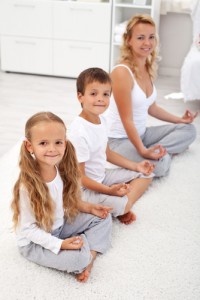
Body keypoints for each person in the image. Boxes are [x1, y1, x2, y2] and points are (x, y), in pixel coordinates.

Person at [11, 112, 112, 283]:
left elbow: (62, 200)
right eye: (43, 143)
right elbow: (28, 230)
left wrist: (88, 207)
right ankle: (86, 257)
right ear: (30, 146)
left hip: (58, 226)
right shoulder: (26, 187)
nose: (52, 149)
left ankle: (90, 256)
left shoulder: (58, 168)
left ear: (65, 143)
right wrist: (60, 245)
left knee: (103, 217)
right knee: (77, 260)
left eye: (58, 142)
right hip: (34, 243)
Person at [104, 14, 198, 177]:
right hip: (118, 141)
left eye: (151, 37)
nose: (147, 43)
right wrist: (143, 151)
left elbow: (152, 107)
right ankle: (162, 154)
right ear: (129, 40)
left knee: (189, 130)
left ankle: (159, 151)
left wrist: (179, 120)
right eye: (140, 38)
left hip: (142, 134)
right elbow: (127, 120)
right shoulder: (121, 73)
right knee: (158, 167)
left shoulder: (147, 67)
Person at [68, 67, 154, 225]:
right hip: (84, 189)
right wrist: (109, 191)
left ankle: (120, 199)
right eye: (93, 94)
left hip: (101, 176)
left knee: (146, 173)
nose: (100, 99)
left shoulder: (103, 120)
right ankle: (122, 205)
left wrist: (136, 166)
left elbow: (107, 154)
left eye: (105, 94)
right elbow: (80, 178)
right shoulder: (78, 132)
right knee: (122, 205)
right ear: (80, 97)